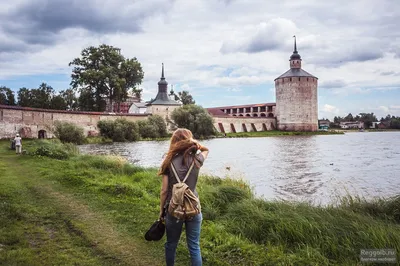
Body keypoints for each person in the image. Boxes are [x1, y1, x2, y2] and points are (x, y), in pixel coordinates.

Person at [158, 128, 209, 266]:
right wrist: (195, 143)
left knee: (171, 244)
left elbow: (164, 190)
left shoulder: (168, 160)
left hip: (173, 209)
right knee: (194, 246)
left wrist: (161, 211)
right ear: (189, 140)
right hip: (193, 208)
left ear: (173, 142)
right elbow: (206, 150)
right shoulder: (197, 159)